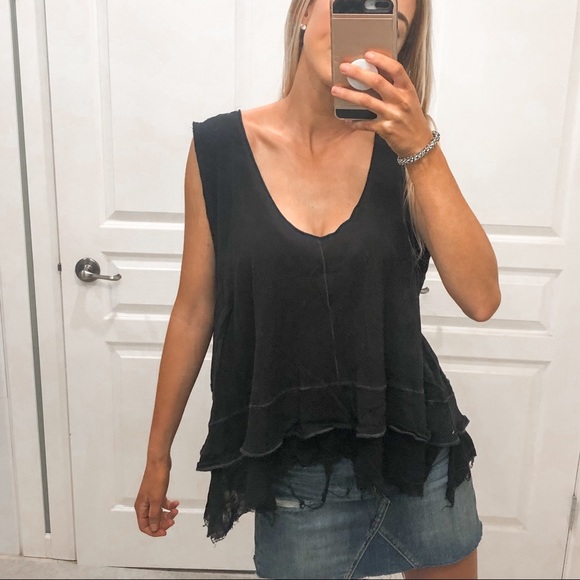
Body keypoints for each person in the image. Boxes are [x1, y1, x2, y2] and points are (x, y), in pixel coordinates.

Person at [134, 0, 501, 578]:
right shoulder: (219, 149)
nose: (364, 30)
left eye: (391, 24)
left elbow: (481, 298)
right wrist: (158, 454)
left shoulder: (407, 148)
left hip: (414, 452)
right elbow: (194, 309)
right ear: (305, 10)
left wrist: (421, 148)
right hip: (295, 471)